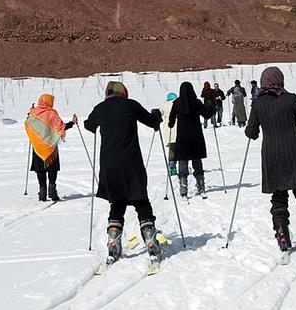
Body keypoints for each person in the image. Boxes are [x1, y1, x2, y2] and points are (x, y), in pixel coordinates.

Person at [244, 66, 296, 253]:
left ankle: (282, 236)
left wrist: (251, 130)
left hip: (272, 155)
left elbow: (252, 132)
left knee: (279, 198)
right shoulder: (290, 98)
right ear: (280, 80)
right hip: (294, 151)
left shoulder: (258, 104)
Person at [83, 81, 164, 265]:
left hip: (109, 167)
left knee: (117, 202)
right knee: (141, 201)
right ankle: (150, 240)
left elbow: (89, 125)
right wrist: (156, 115)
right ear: (123, 92)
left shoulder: (100, 108)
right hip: (131, 164)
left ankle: (113, 242)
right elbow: (152, 122)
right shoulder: (131, 105)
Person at [24, 94, 77, 202]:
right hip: (51, 147)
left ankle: (42, 190)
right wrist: (72, 123)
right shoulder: (52, 113)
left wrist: (30, 113)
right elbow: (61, 127)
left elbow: (28, 124)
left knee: (40, 169)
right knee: (52, 168)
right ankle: (52, 188)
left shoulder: (34, 113)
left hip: (38, 147)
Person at [168, 82, 214, 198]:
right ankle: (201, 186)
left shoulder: (177, 103)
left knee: (183, 161)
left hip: (182, 138)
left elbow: (171, 121)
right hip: (196, 137)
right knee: (197, 161)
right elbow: (207, 115)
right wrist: (211, 106)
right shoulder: (197, 102)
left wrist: (170, 123)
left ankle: (183, 190)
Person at [159, 92, 178, 175]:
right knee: (181, 150)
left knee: (172, 150)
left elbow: (159, 113)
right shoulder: (179, 103)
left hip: (169, 130)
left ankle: (172, 167)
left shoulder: (165, 105)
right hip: (180, 130)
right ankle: (183, 167)